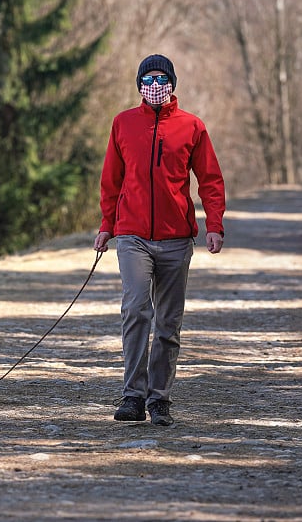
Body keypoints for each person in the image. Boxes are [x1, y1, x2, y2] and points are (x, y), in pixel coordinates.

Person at [94, 54, 225, 426]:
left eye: (161, 80)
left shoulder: (192, 127)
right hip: (132, 236)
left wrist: (214, 224)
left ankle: (160, 399)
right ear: (139, 86)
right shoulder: (123, 124)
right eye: (148, 80)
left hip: (176, 239)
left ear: (172, 84)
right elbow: (111, 181)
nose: (155, 86)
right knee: (136, 310)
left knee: (168, 321)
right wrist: (107, 225)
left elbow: (211, 180)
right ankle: (132, 396)